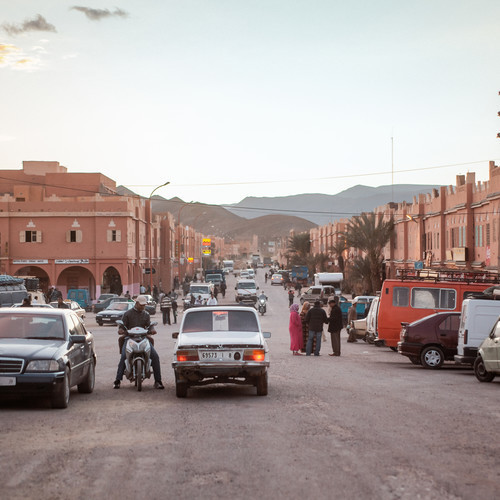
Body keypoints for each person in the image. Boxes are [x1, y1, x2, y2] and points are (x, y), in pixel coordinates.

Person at [113, 295, 164, 390]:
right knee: (124, 356)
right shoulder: (127, 314)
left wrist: (152, 330)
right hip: (129, 338)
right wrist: (121, 330)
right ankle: (117, 381)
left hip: (144, 338)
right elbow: (122, 326)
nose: (143, 307)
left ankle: (158, 381)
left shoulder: (146, 314)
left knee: (155, 356)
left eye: (144, 305)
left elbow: (149, 326)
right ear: (136, 303)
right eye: (141, 305)